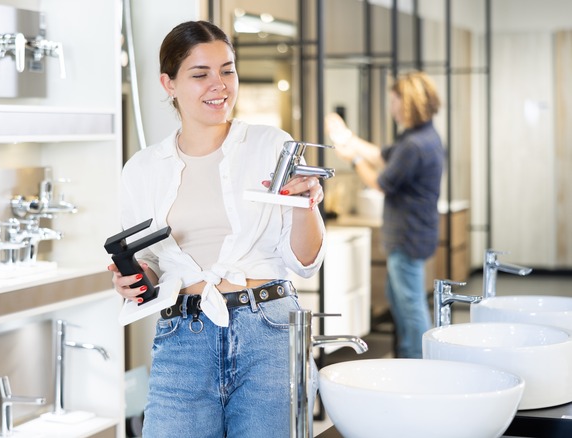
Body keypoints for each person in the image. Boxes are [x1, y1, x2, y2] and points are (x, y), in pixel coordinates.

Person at [107, 20, 326, 438]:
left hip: (270, 332)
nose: (219, 84)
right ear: (168, 83)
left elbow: (304, 262)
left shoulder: (270, 145)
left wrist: (305, 203)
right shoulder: (141, 170)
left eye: (227, 70)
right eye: (200, 73)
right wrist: (133, 279)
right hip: (181, 338)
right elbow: (151, 266)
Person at [324, 71, 444, 359]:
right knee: (401, 300)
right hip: (415, 233)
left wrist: (351, 158)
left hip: (408, 236)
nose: (391, 107)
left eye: (393, 101)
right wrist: (349, 139)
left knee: (410, 304)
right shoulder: (421, 136)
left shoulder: (415, 145)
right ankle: (410, 355)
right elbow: (383, 156)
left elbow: (381, 182)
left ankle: (418, 360)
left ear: (408, 103)